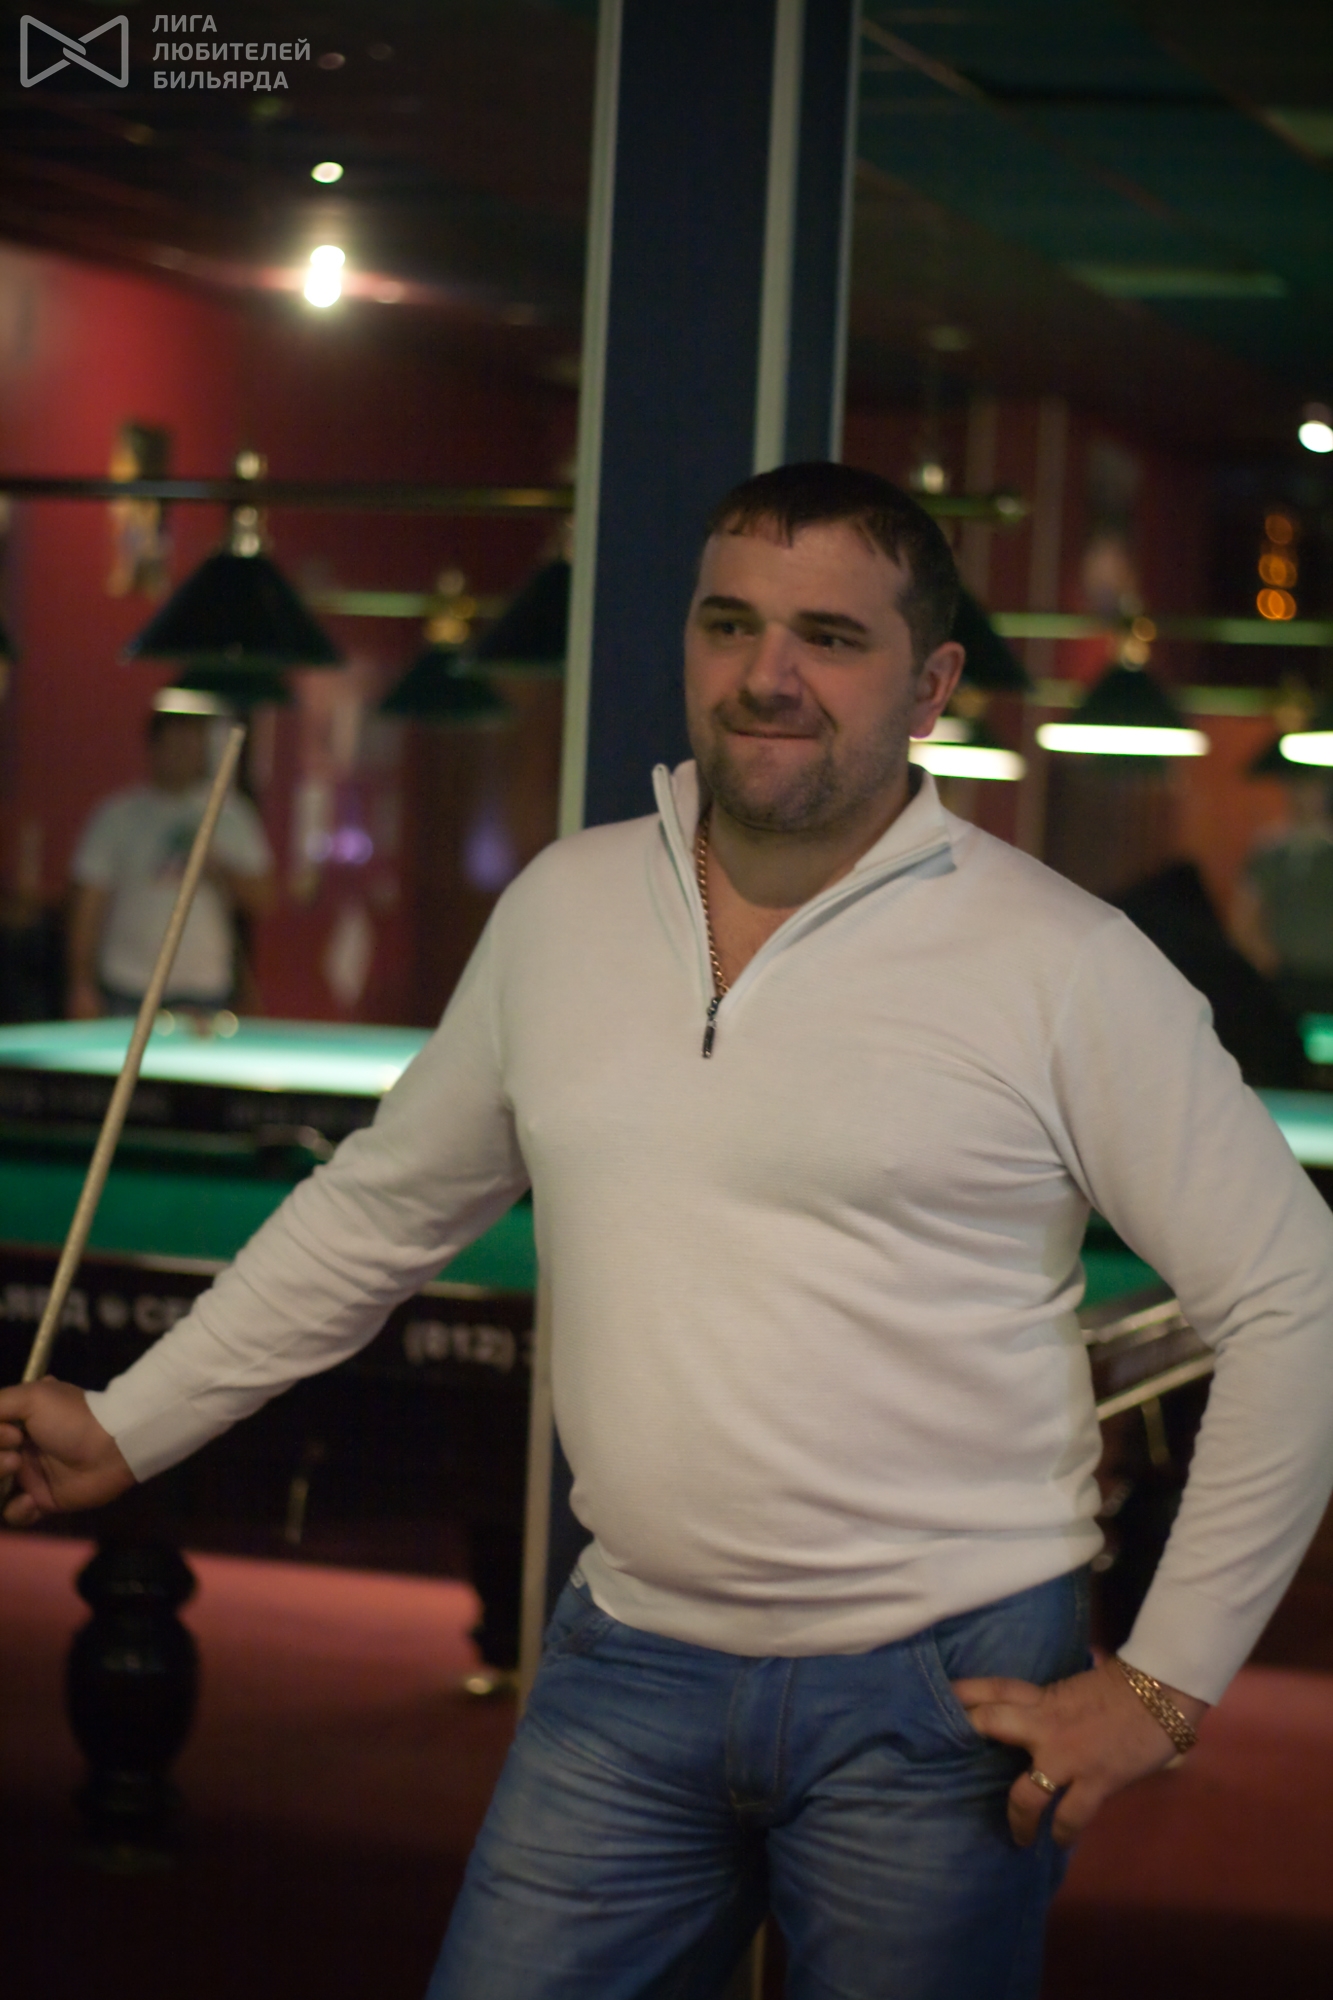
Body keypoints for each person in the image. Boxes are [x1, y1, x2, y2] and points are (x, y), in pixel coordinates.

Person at [5, 463, 1333, 2000]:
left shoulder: (1063, 962)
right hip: (628, 1656)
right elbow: (378, 1214)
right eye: (731, 623)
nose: (768, 675)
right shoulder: (562, 910)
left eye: (830, 637)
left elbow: (1295, 1295)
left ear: (931, 685)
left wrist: (1163, 1687)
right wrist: (134, 1423)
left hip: (946, 1691)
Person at [66, 707, 274, 1019]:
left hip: (206, 990)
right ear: (154, 748)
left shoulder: (231, 815)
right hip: (128, 986)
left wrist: (217, 868)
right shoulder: (117, 816)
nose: (184, 755)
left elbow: (264, 899)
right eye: (175, 745)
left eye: (192, 745)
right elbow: (88, 905)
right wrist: (81, 983)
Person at [1231, 769, 1333, 1023]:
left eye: (1316, 787)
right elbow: (1244, 916)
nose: (1307, 796)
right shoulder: (1272, 850)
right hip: (1284, 980)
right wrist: (1268, 964)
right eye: (1299, 786)